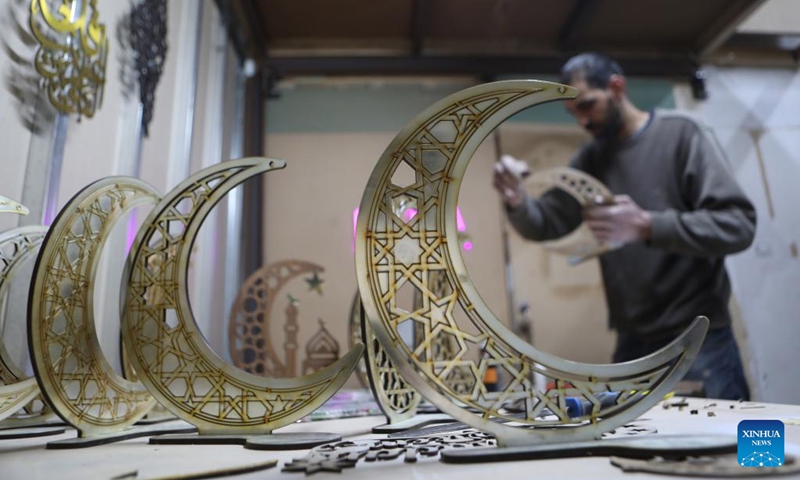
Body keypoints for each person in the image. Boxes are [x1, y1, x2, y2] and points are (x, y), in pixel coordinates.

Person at [493, 52, 756, 401]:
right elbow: (547, 222)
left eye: (588, 106)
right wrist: (516, 199)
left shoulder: (681, 135)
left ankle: (762, 458)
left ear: (617, 87)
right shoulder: (590, 159)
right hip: (633, 344)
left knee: (742, 449)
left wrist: (648, 226)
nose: (583, 123)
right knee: (633, 451)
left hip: (698, 337)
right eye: (574, 114)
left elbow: (738, 225)